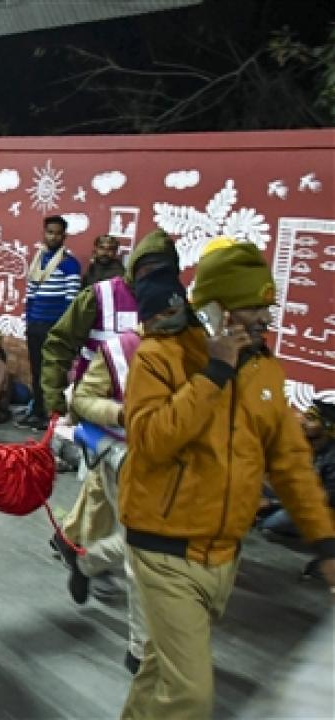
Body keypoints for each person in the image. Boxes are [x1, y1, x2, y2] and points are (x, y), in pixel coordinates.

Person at [119, 242, 335, 719]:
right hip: (163, 548)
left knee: (161, 671)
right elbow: (151, 441)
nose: (263, 318)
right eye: (251, 307)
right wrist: (214, 372)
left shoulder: (266, 373)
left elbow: (292, 463)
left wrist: (325, 542)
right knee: (191, 696)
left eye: (267, 306)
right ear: (215, 309)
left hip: (224, 556)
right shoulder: (160, 356)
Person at [62, 266, 188, 676]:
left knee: (156, 547)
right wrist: (123, 412)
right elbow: (83, 399)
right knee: (142, 554)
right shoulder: (120, 349)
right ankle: (140, 649)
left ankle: (84, 561)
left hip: (181, 465)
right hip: (127, 457)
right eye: (164, 314)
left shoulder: (198, 349)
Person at [41, 229, 179, 560]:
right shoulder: (99, 295)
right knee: (105, 477)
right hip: (98, 407)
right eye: (148, 268)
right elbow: (59, 343)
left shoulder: (173, 302)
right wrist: (55, 399)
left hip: (147, 415)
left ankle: (73, 541)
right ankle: (90, 556)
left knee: (102, 481)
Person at [18, 215, 80, 430]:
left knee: (51, 373)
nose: (53, 236)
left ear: (64, 236)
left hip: (54, 327)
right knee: (36, 370)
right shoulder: (39, 260)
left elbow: (71, 301)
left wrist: (61, 330)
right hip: (35, 325)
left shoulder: (70, 264)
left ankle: (49, 415)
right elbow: (31, 294)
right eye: (49, 232)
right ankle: (36, 411)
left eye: (57, 233)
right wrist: (29, 320)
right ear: (44, 234)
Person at [260, 399, 335, 540]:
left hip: (316, 509)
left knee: (272, 523)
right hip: (289, 498)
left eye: (310, 418)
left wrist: (272, 503)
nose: (301, 420)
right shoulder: (297, 442)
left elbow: (325, 499)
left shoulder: (332, 458)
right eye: (305, 416)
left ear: (327, 428)